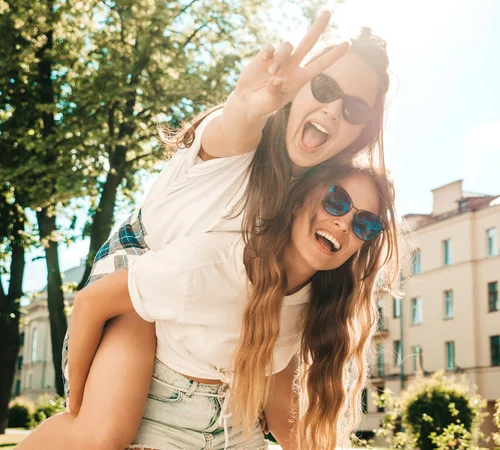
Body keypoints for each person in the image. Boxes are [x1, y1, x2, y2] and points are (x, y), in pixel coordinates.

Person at [20, 10, 393, 449]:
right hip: (137, 266)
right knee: (104, 433)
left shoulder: (316, 198)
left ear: (359, 132)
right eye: (325, 88)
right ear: (300, 88)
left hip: (197, 299)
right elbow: (232, 132)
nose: (333, 108)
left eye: (353, 108)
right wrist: (246, 104)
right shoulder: (244, 144)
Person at [17, 163, 400, 450]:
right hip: (160, 405)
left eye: (365, 224)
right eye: (337, 201)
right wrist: (80, 406)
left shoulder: (316, 304)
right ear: (301, 201)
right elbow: (89, 303)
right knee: (98, 437)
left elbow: (284, 398)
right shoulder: (214, 264)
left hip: (236, 425)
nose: (344, 223)